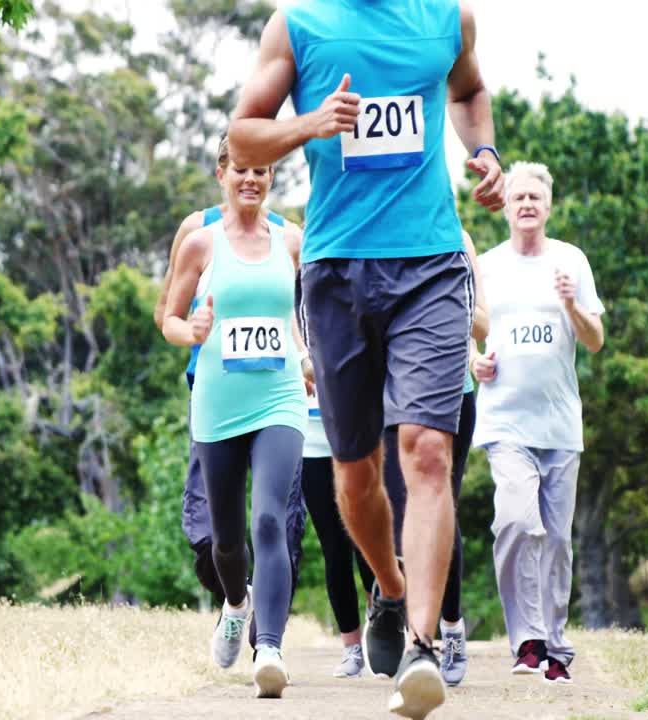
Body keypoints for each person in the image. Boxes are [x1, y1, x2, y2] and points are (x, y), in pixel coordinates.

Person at [229, 2, 504, 715]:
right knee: (355, 474)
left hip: (432, 264)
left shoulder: (447, 17)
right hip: (337, 268)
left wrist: (485, 153)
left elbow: (469, 92)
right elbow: (242, 135)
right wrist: (309, 124)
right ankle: (390, 583)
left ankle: (421, 646)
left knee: (428, 452)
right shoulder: (299, 24)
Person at [161, 155, 308, 699]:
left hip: (280, 397)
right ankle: (235, 604)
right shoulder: (201, 242)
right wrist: (191, 329)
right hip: (218, 402)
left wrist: (305, 355)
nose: (251, 179)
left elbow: (295, 314)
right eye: (241, 170)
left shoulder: (291, 240)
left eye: (262, 171)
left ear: (271, 180)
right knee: (225, 540)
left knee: (269, 518)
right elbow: (169, 319)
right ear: (221, 174)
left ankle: (267, 647)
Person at [471, 162, 605, 685]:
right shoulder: (486, 266)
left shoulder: (571, 261)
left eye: (535, 197)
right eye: (518, 197)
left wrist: (570, 303)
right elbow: (468, 329)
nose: (526, 204)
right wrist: (472, 362)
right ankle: (526, 639)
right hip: (504, 421)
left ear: (548, 207)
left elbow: (595, 340)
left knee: (556, 539)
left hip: (560, 425)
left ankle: (555, 646)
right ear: (505, 207)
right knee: (515, 520)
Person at [382, 230, 488, 688]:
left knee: (442, 506)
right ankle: (400, 618)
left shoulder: (457, 239)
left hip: (451, 395)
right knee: (395, 513)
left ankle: (449, 628)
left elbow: (483, 323)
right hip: (388, 397)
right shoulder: (379, 235)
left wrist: (433, 313)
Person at [299, 386, 377, 679]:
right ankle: (351, 648)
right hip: (311, 438)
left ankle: (378, 620)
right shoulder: (295, 337)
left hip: (355, 432)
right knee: (333, 547)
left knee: (366, 538)